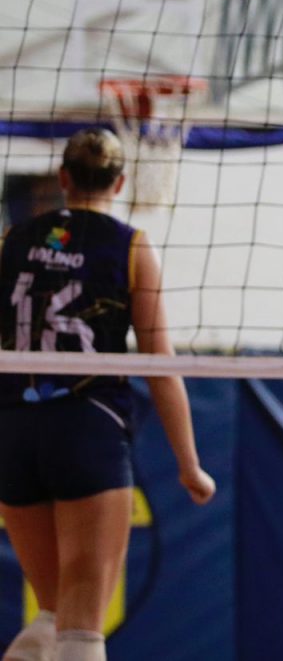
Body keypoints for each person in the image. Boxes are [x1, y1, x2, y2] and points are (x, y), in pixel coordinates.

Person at [0, 128, 216, 661]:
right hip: (86, 427)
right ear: (120, 183)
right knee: (81, 625)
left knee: (53, 611)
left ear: (63, 177)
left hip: (13, 430)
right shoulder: (132, 246)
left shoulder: (12, 241)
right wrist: (190, 465)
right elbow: (160, 364)